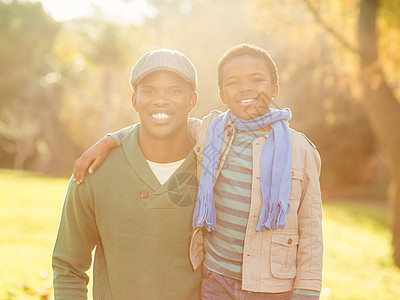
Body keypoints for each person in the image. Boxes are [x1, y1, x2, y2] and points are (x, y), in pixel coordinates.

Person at [73, 44, 323, 299]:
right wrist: (111, 140)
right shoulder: (211, 132)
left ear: (274, 89)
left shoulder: (300, 150)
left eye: (256, 80)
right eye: (233, 82)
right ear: (222, 95)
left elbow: (311, 229)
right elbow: (163, 120)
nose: (245, 87)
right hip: (216, 279)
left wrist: (306, 291)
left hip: (271, 287)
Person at [52, 49, 201, 299]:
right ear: (134, 100)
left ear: (192, 101)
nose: (160, 100)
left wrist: (113, 137)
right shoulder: (94, 171)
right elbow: (68, 266)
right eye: (149, 91)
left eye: (174, 91)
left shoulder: (215, 167)